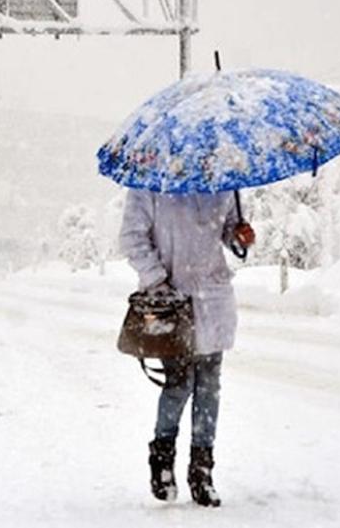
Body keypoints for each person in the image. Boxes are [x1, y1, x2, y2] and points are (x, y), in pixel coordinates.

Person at [119, 190, 255, 508]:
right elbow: (132, 239)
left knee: (209, 388)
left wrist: (240, 237)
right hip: (172, 301)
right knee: (179, 385)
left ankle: (202, 472)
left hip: (213, 298)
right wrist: (157, 281)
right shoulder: (150, 184)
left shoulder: (222, 184)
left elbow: (229, 232)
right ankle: (162, 461)